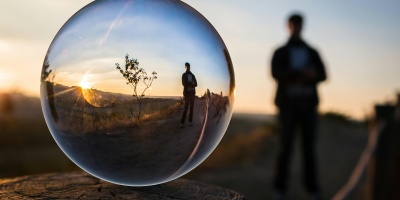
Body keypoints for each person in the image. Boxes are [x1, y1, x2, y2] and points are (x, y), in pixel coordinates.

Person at [271, 13, 327, 200]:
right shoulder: (280, 51)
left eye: (298, 25)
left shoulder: (312, 51)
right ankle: (280, 190)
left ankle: (312, 189)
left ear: (302, 26)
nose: (296, 28)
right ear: (289, 26)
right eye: (293, 25)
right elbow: (275, 73)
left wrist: (312, 75)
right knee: (285, 147)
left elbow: (323, 75)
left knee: (309, 149)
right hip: (288, 106)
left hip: (308, 106)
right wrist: (299, 73)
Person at [180, 62, 197, 128]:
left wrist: (192, 84)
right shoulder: (184, 75)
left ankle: (190, 121)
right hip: (187, 93)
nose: (188, 67)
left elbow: (196, 84)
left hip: (192, 93)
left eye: (189, 66)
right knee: (186, 108)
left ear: (190, 67)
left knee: (191, 108)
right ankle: (182, 122)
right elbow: (183, 83)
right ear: (185, 67)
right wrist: (190, 83)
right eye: (187, 66)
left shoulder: (192, 75)